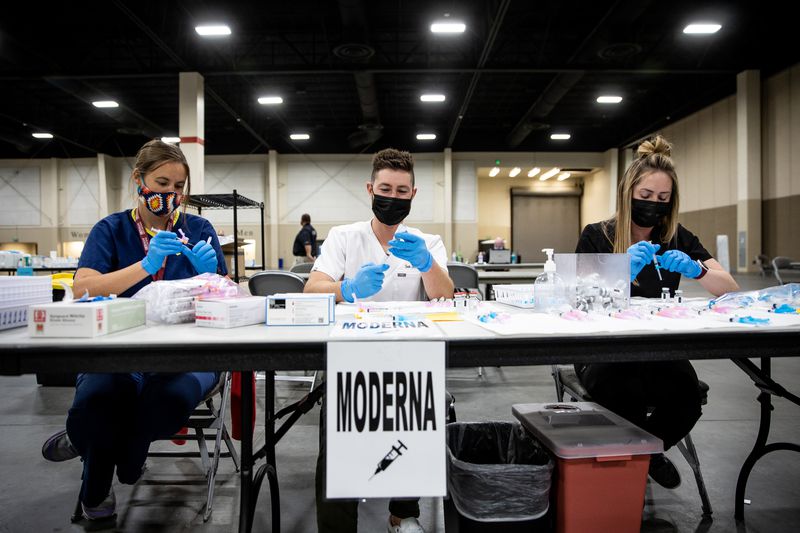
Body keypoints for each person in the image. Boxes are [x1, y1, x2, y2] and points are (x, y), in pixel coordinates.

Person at [40, 139, 227, 522]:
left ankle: (108, 451)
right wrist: (147, 264)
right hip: (117, 352)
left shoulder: (199, 227)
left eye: (178, 188)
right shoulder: (110, 229)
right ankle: (96, 489)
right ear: (137, 180)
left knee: (169, 402)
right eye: (161, 184)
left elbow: (228, 298)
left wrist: (214, 273)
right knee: (99, 397)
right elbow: (83, 287)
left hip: (187, 355)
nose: (170, 195)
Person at [574, 135, 739, 489]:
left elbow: (730, 289)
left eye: (663, 199)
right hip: (603, 348)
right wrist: (618, 273)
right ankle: (638, 464)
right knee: (624, 393)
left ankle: (643, 453)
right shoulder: (596, 236)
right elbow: (576, 302)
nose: (653, 206)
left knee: (687, 396)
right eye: (646, 197)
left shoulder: (677, 237)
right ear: (627, 193)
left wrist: (699, 271)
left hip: (657, 347)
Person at [305, 148, 453, 533]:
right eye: (385, 188)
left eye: (402, 191)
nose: (393, 197)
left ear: (413, 194)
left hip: (409, 356)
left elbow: (444, 295)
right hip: (351, 357)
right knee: (338, 432)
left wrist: (426, 264)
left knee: (419, 415)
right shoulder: (344, 237)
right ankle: (338, 526)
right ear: (371, 189)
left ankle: (403, 514)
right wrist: (346, 287)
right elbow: (311, 289)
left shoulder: (427, 241)